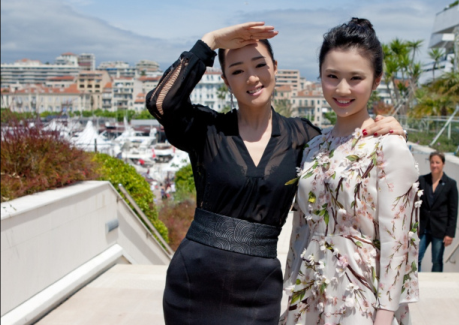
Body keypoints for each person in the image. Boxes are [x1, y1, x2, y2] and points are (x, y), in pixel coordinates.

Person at [145, 22, 405, 325]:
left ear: (275, 67)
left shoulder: (305, 137)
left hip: (257, 289)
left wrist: (387, 129)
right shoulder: (208, 130)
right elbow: (161, 101)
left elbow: (346, 154)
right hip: (193, 284)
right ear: (227, 81)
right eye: (238, 70)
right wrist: (210, 42)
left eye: (259, 65)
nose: (252, 77)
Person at [281, 18, 421, 325]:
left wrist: (383, 318)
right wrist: (291, 292)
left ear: (377, 79)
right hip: (309, 296)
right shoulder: (314, 147)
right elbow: (301, 231)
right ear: (319, 76)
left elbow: (399, 245)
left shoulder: (389, 148)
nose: (342, 89)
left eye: (356, 78)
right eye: (332, 76)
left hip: (360, 302)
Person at [417, 151, 459, 272]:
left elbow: (453, 210)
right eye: (432, 162)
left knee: (436, 260)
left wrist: (450, 234)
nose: (434, 165)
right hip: (423, 228)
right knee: (417, 257)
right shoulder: (422, 180)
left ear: (443, 164)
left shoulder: (450, 184)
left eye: (437, 162)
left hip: (440, 229)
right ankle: (416, 283)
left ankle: (435, 283)